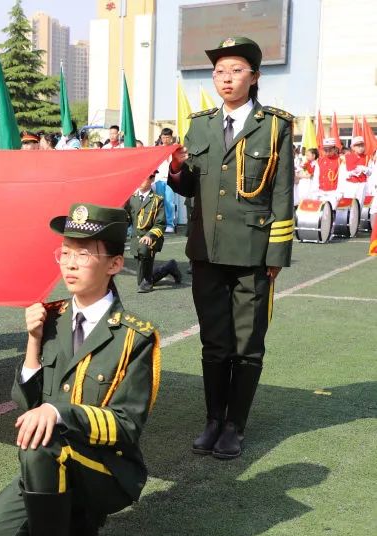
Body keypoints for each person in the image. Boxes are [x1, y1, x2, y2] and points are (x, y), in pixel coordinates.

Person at [0, 203, 160, 536]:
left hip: (108, 471)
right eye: (65, 252)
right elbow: (24, 405)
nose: (70, 264)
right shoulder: (50, 319)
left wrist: (60, 411)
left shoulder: (134, 336)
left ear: (114, 264)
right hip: (52, 463)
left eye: (83, 254)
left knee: (43, 447)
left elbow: (127, 426)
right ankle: (71, 521)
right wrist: (33, 341)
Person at [167, 36, 294, 460]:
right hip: (206, 251)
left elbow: (282, 193)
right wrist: (176, 170)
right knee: (214, 342)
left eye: (236, 70)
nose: (226, 78)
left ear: (254, 77)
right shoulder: (199, 123)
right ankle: (212, 420)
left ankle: (235, 427)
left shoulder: (275, 126)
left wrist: (276, 255)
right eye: (220, 71)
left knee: (247, 344)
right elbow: (190, 187)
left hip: (253, 254)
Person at [125, 173, 181, 293]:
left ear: (152, 179)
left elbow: (160, 224)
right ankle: (169, 267)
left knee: (145, 281)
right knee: (140, 282)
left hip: (152, 239)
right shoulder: (132, 199)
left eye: (143, 178)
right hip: (137, 240)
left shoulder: (157, 200)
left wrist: (150, 235)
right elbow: (127, 219)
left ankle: (148, 282)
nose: (139, 181)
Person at [153, 128, 181, 232]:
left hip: (170, 179)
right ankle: (160, 223)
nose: (165, 139)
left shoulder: (174, 149)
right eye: (163, 137)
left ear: (171, 138)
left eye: (167, 137)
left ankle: (170, 224)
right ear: (160, 137)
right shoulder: (157, 149)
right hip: (159, 179)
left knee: (169, 202)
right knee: (160, 202)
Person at [340, 136, 370, 204]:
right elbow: (342, 174)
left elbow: (371, 173)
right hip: (350, 184)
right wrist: (351, 173)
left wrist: (365, 169)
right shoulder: (346, 157)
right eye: (358, 146)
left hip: (362, 184)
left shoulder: (367, 157)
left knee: (359, 205)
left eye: (362, 145)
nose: (360, 148)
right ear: (353, 147)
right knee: (348, 204)